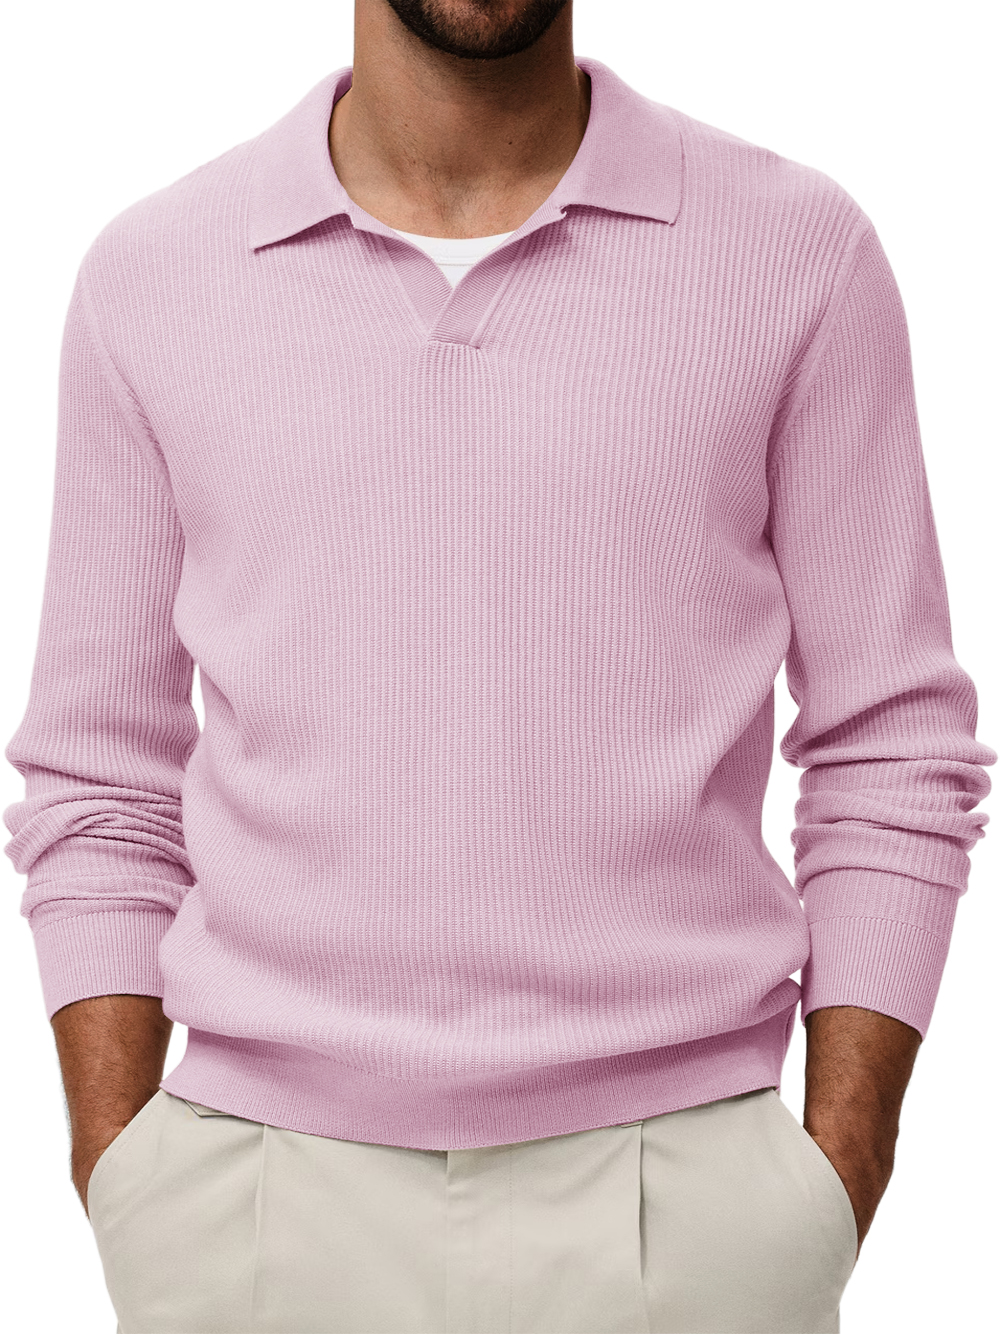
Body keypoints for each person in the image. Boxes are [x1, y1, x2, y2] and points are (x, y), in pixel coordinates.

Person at [3, 1, 994, 1330]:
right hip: (249, 1205)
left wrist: (839, 1162)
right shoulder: (155, 276)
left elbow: (892, 738)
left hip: (687, 1204)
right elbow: (99, 767)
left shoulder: (794, 252)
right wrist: (124, 1170)